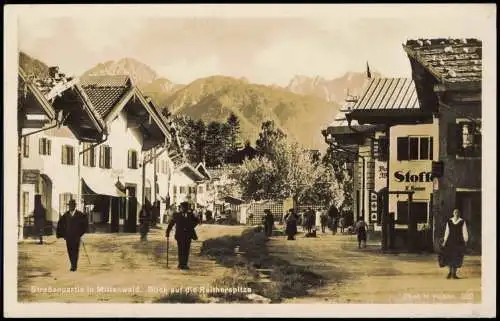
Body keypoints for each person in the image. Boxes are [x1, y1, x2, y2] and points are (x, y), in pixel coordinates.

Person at [56, 199, 88, 272]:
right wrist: (62, 234)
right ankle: (72, 264)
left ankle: (74, 266)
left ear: (75, 206)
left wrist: (80, 233)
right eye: (70, 206)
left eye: (72, 205)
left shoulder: (80, 215)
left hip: (76, 237)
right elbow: (60, 224)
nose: (71, 207)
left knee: (75, 251)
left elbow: (85, 225)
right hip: (68, 237)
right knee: (70, 251)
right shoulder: (66, 215)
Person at [166, 201, 199, 270]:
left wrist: (191, 226)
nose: (184, 209)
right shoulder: (176, 215)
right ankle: (181, 264)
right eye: (182, 207)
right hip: (180, 235)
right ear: (181, 208)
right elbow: (171, 223)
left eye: (185, 207)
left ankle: (185, 264)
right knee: (180, 250)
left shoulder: (190, 215)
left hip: (188, 235)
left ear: (187, 208)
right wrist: (167, 232)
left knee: (186, 250)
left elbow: (197, 221)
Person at [440, 209, 469, 279]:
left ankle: (454, 274)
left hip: (458, 242)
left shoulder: (462, 221)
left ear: (459, 214)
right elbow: (447, 232)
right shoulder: (449, 221)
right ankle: (450, 272)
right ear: (453, 213)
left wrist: (465, 240)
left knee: (456, 257)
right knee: (449, 257)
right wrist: (444, 241)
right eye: (455, 212)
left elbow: (464, 231)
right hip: (450, 241)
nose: (456, 214)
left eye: (457, 212)